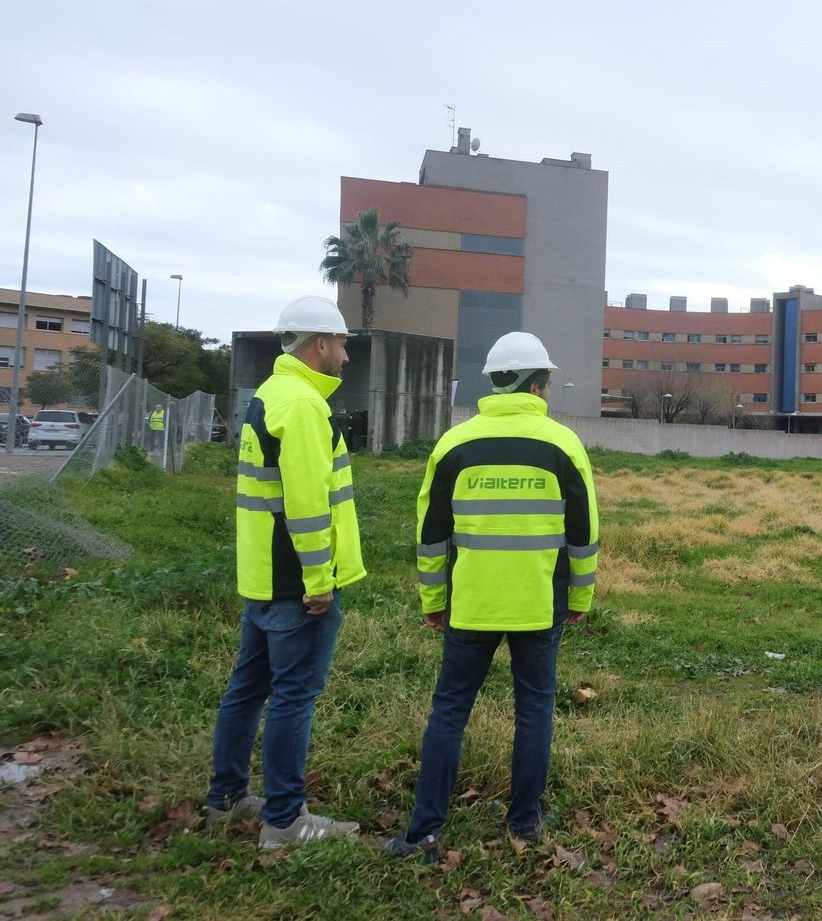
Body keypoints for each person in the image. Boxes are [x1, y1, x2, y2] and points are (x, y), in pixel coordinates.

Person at [384, 332, 599, 861]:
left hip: (470, 606)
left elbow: (431, 533)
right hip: (538, 604)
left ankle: (424, 833)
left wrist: (433, 599)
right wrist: (580, 597)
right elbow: (584, 533)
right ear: (537, 384)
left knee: (449, 712)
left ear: (495, 380)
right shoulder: (563, 444)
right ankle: (524, 824)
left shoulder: (454, 444)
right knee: (534, 711)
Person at [203, 296, 368, 848]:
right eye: (342, 344)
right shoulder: (301, 405)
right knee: (293, 696)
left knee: (247, 688)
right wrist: (319, 579)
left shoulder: (269, 395)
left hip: (263, 572)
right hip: (295, 580)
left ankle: (225, 798)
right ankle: (284, 821)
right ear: (320, 344)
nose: (345, 356)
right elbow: (305, 501)